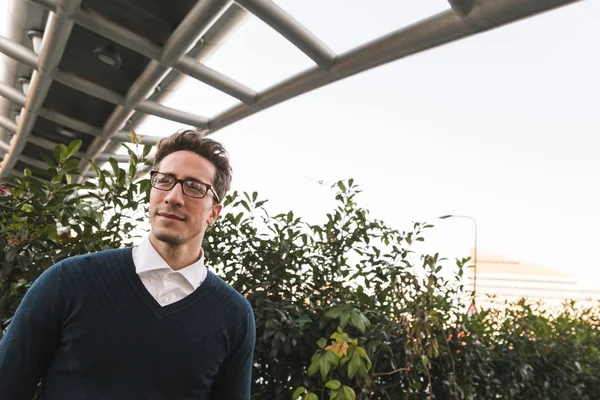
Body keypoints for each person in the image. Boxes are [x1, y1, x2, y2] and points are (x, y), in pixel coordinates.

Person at [0, 130, 256, 399]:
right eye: (164, 181)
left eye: (194, 187)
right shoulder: (67, 281)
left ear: (214, 212)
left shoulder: (234, 315)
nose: (173, 197)